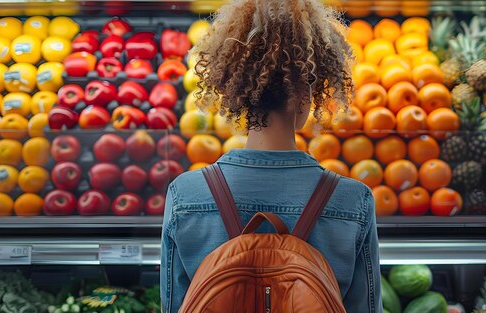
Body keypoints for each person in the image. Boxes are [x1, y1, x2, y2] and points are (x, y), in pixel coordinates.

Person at [161, 0, 381, 312]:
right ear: (308, 93)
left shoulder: (185, 194)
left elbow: (173, 306)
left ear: (235, 91)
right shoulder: (353, 200)